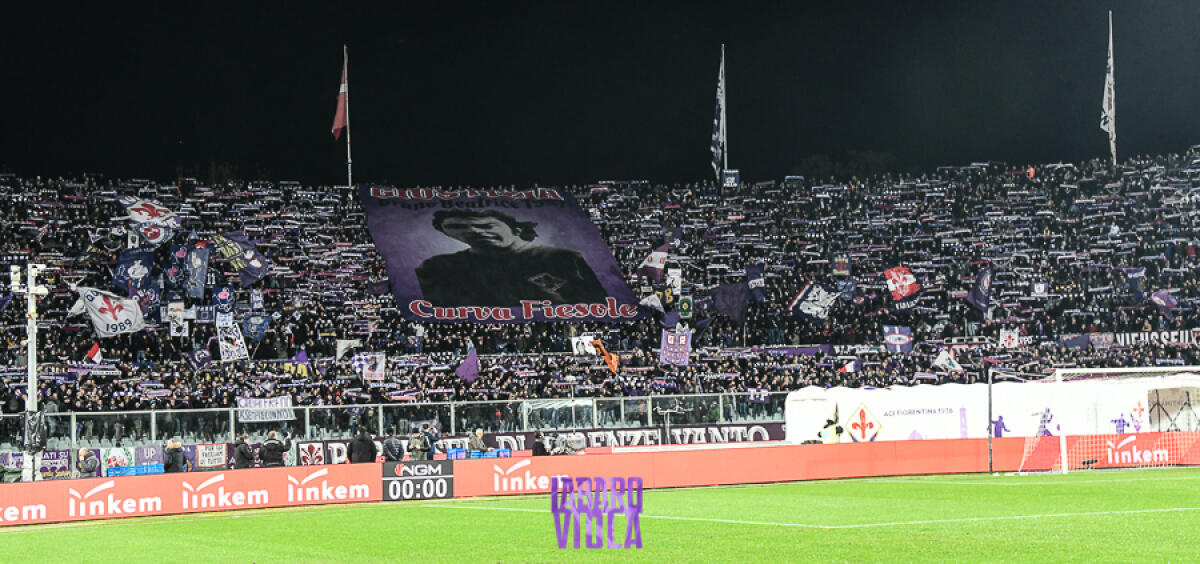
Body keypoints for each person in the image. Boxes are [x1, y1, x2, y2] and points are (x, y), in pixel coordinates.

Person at [415, 209, 609, 307]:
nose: (472, 231)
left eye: (486, 226)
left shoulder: (563, 258)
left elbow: (597, 304)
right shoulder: (439, 266)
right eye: (457, 228)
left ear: (515, 228)